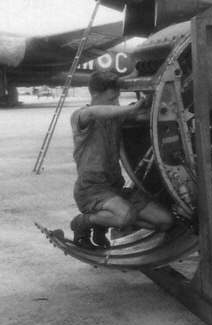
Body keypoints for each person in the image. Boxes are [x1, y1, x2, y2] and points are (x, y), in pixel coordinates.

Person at [69, 70, 174, 249]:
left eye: (117, 99)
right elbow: (94, 113)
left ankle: (104, 222)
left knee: (165, 221)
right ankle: (84, 222)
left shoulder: (117, 117)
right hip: (91, 190)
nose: (116, 103)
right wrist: (131, 108)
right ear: (94, 94)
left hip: (115, 188)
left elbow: (148, 115)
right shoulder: (80, 116)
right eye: (111, 100)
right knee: (125, 216)